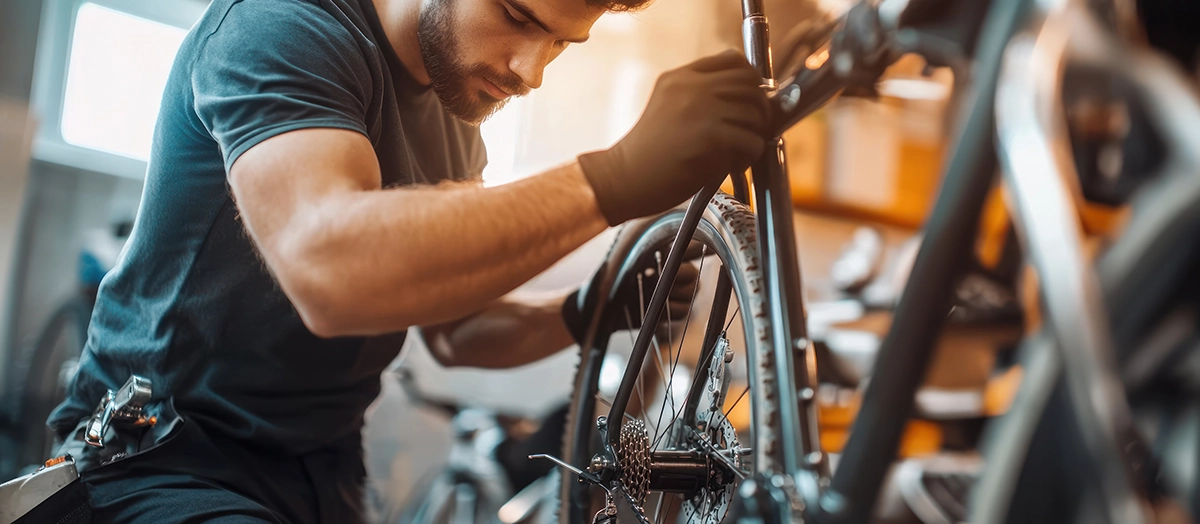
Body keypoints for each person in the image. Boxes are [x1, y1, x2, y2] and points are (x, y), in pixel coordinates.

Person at [44, 0, 771, 520]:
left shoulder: (457, 128)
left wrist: (584, 312)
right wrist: (612, 178)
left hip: (322, 473)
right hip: (162, 456)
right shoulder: (283, 24)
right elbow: (329, 270)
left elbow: (456, 334)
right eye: (519, 17)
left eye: (561, 44)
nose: (531, 72)